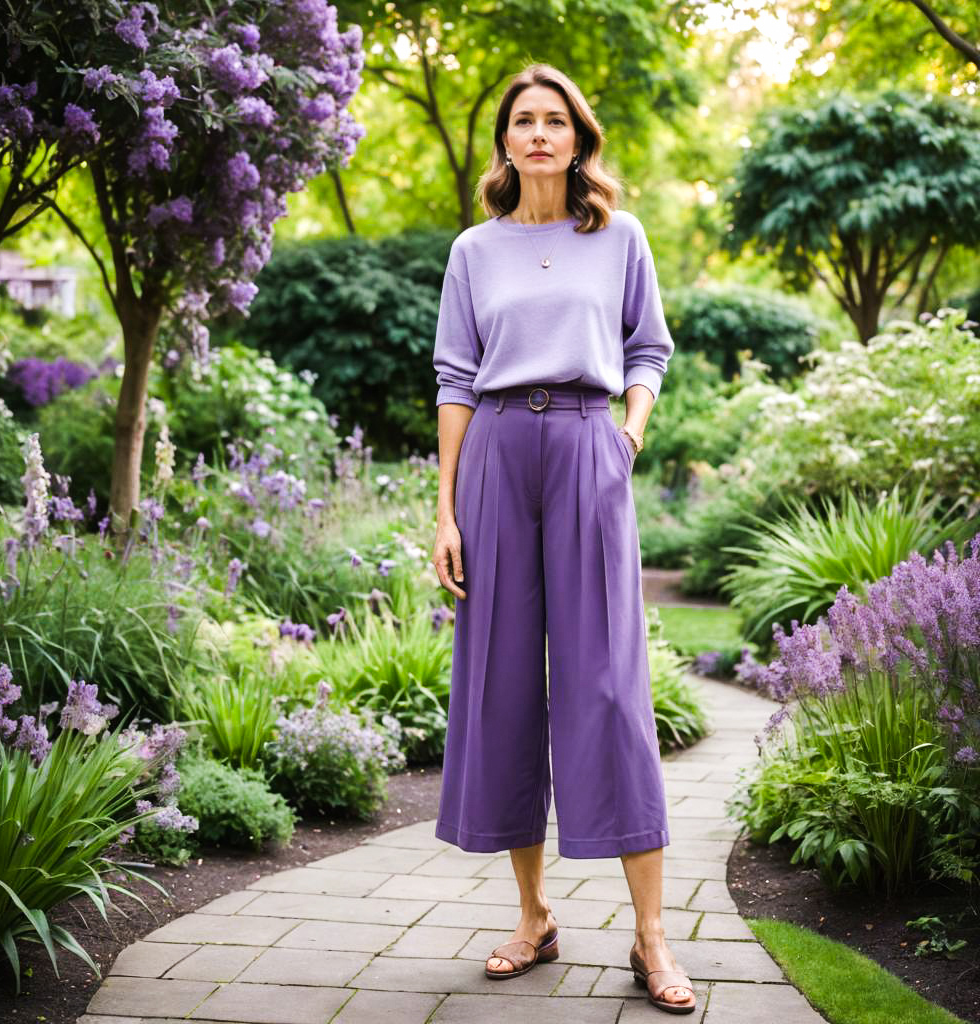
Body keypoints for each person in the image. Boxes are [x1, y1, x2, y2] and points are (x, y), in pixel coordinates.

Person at [429, 62, 696, 1015]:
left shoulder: (619, 238)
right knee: (502, 683)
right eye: (522, 120)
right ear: (505, 141)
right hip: (499, 453)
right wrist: (447, 509)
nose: (539, 134)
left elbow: (649, 348)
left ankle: (652, 937)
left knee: (609, 686)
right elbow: (456, 377)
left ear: (578, 139)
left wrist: (627, 433)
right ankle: (534, 916)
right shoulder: (474, 250)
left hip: (589, 446)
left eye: (555, 120)